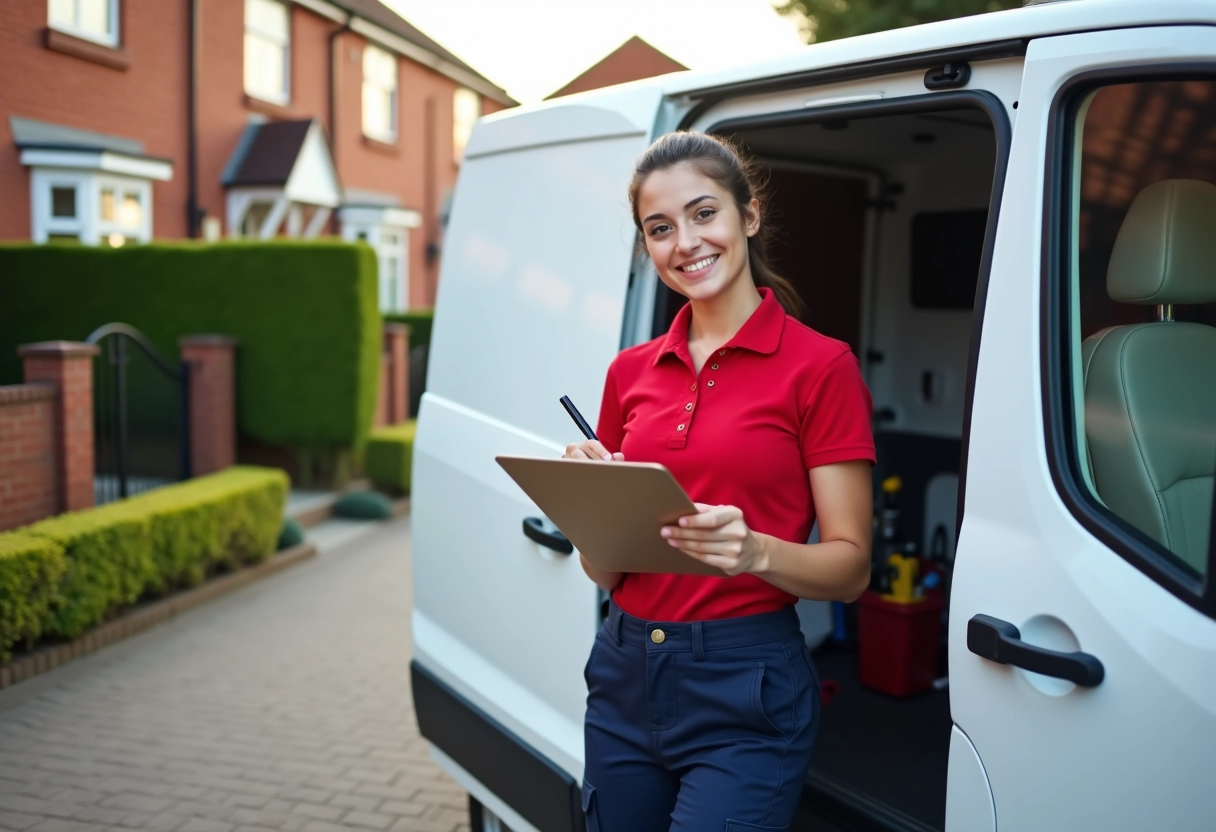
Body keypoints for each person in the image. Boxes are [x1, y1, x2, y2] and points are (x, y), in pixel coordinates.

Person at [565, 131, 876, 831]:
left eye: (704, 214)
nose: (685, 243)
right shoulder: (630, 372)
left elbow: (852, 569)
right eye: (660, 228)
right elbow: (605, 572)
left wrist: (755, 552)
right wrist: (591, 507)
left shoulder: (820, 367)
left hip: (747, 685)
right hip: (622, 672)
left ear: (748, 216)